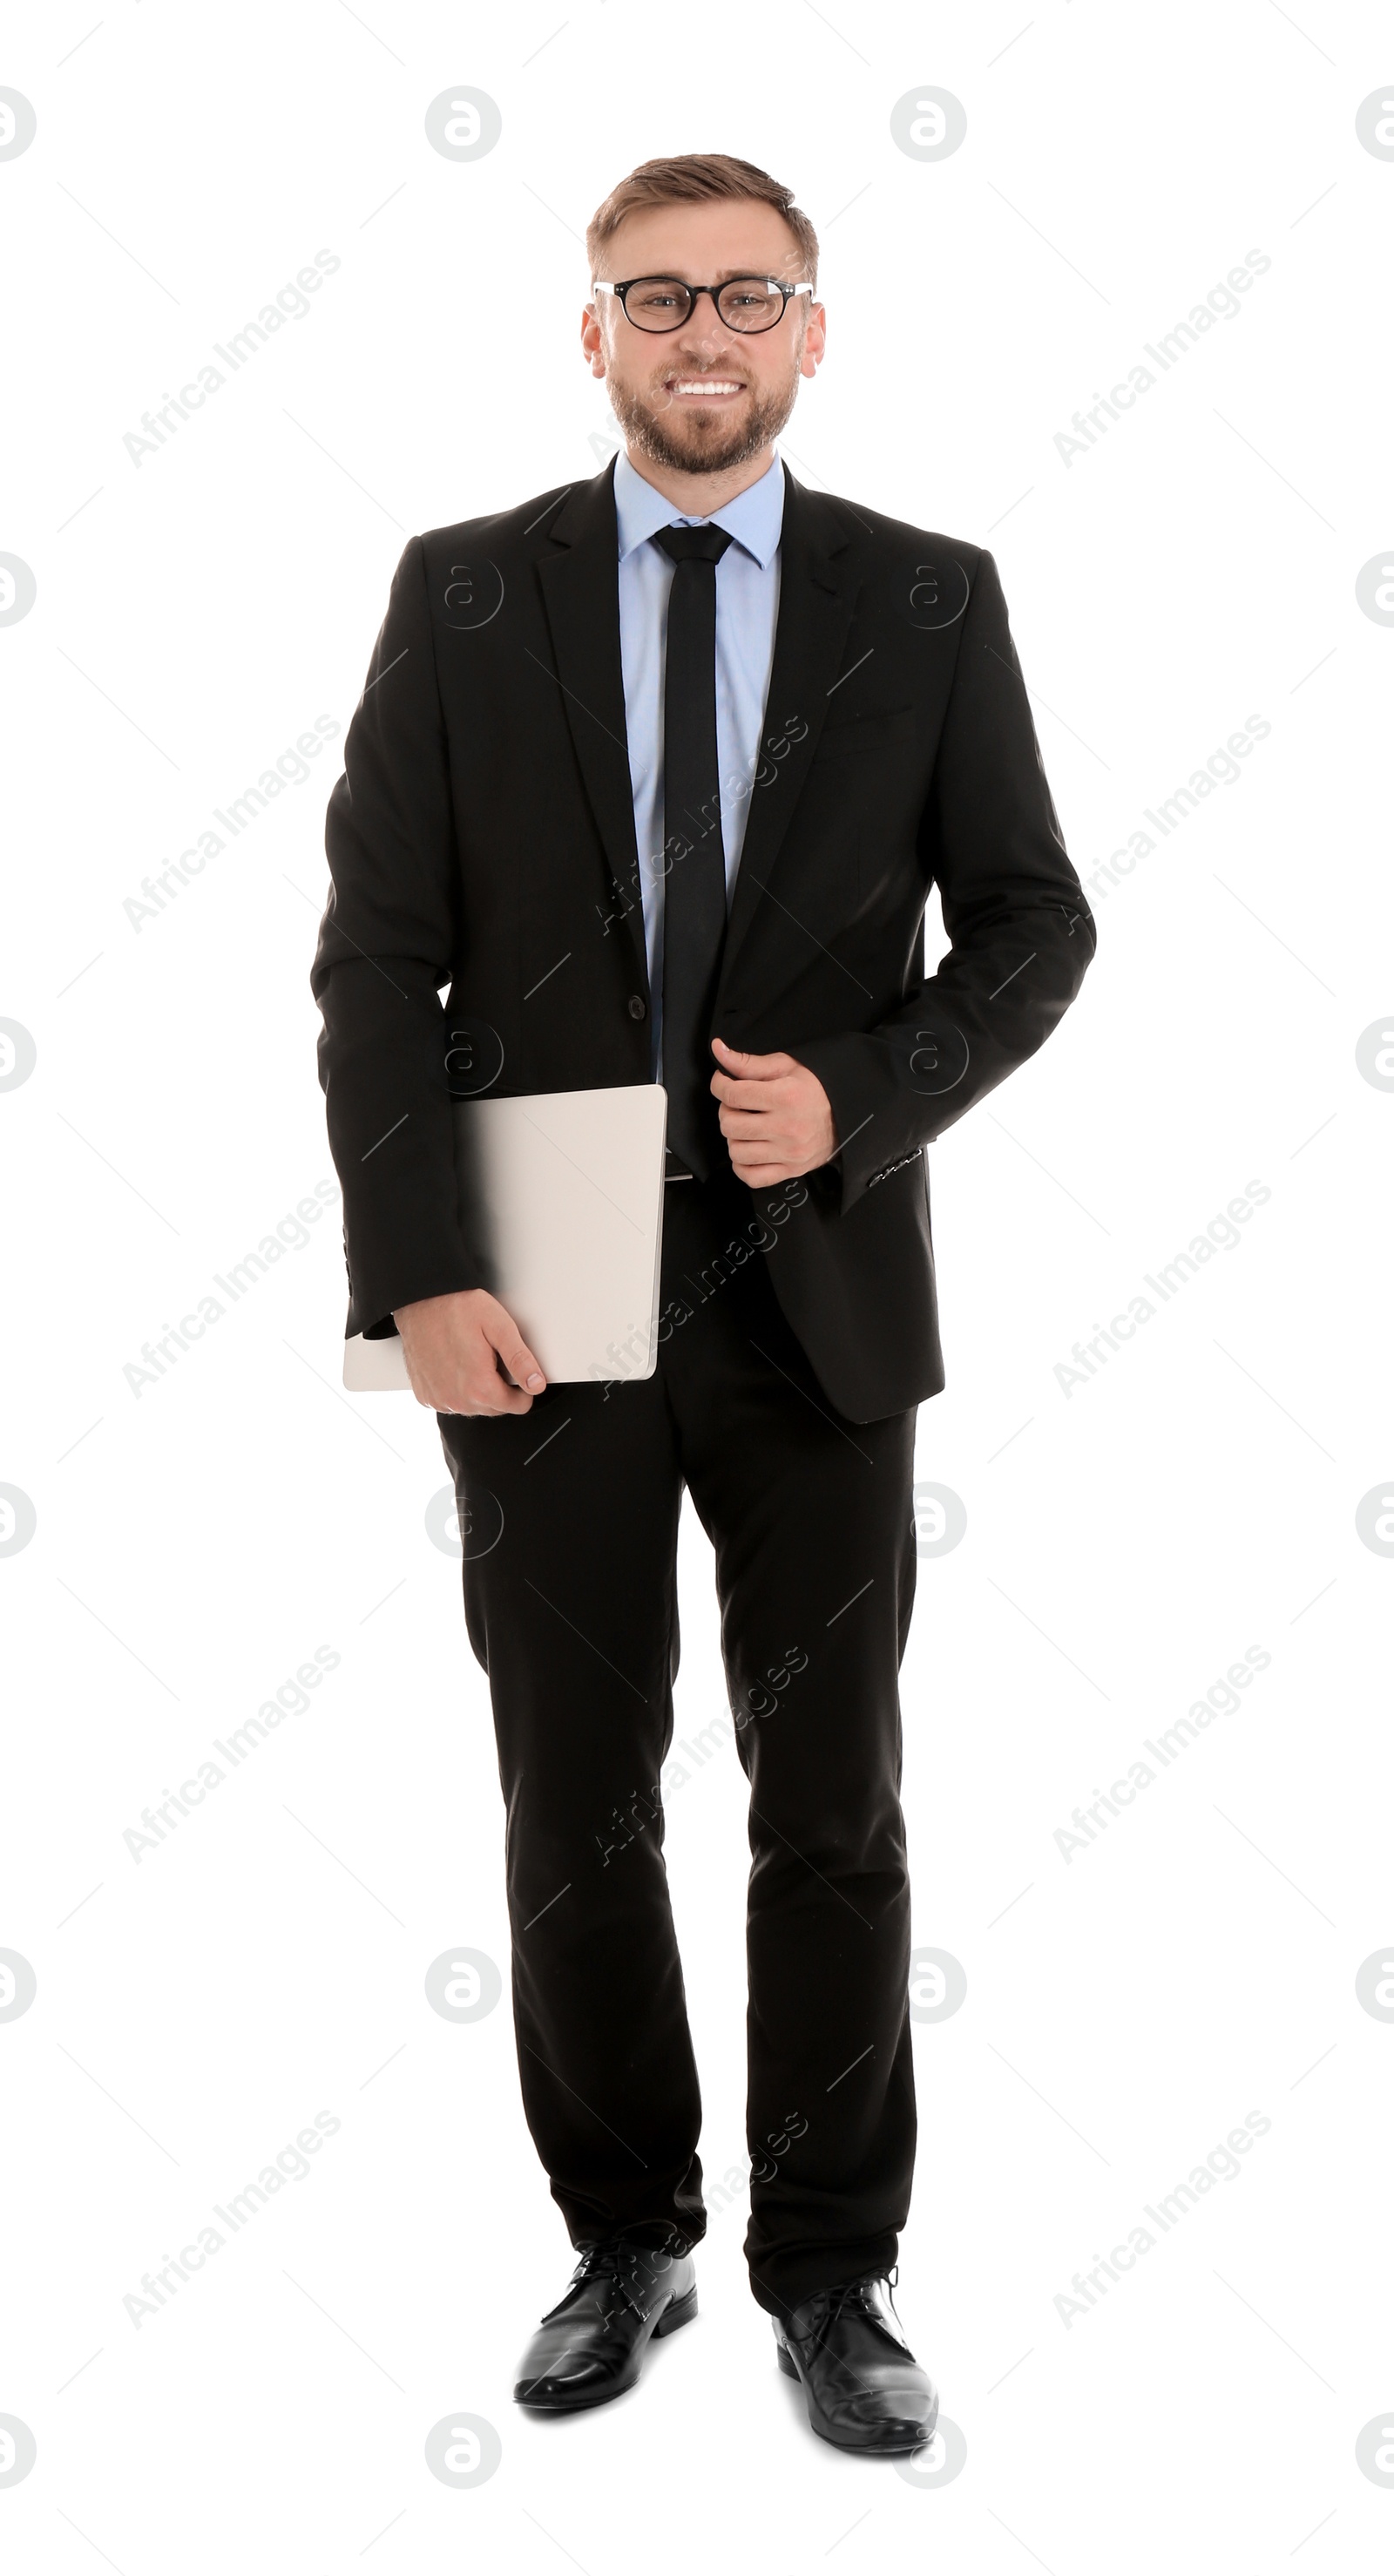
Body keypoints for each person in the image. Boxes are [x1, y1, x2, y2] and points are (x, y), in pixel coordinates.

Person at [311, 150, 1095, 2455]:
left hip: (813, 1287)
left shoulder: (928, 599)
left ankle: (832, 2271)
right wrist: (415, 1272)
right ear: (594, 336)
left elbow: (1036, 929)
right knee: (574, 1795)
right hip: (533, 1284)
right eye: (655, 297)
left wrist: (859, 1091)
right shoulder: (464, 596)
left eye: (748, 295)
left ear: (811, 334)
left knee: (829, 1801)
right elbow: (375, 958)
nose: (702, 335)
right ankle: (626, 2231)